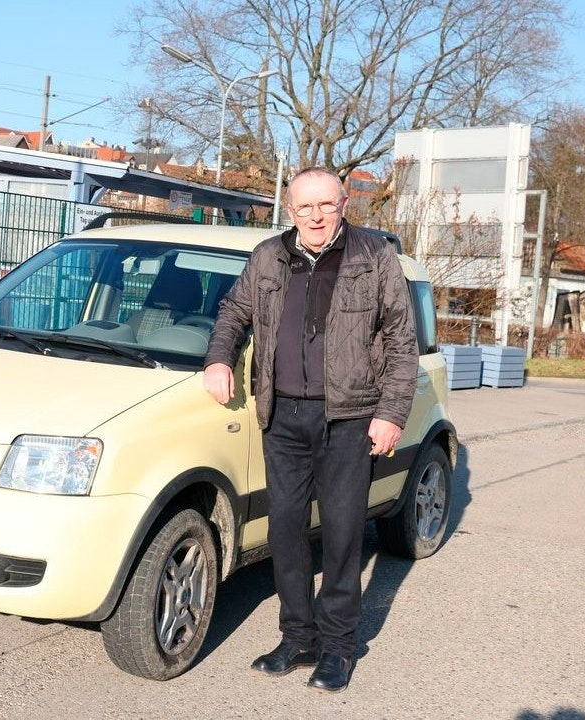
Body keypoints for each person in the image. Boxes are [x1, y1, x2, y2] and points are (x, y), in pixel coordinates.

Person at [203, 166, 417, 693]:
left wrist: (390, 413)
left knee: (343, 536)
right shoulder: (268, 257)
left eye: (325, 205)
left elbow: (401, 338)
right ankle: (297, 638)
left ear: (343, 204)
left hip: (348, 418)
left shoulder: (374, 256)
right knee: (286, 533)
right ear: (290, 210)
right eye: (304, 207)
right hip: (283, 418)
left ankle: (339, 647)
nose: (316, 216)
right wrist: (218, 358)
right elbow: (234, 312)